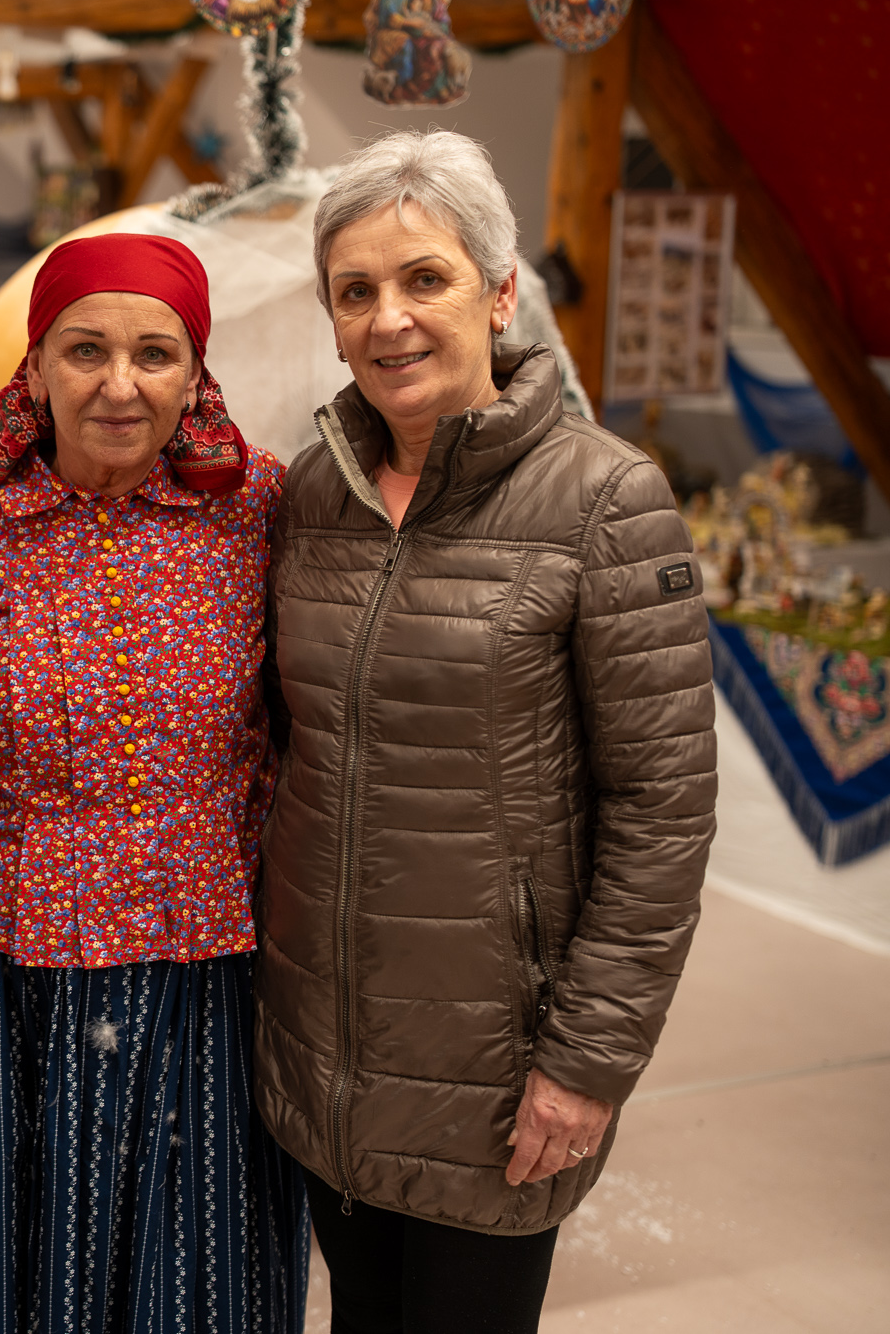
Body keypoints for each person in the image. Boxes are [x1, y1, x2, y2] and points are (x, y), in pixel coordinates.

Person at [257, 130, 716, 1334]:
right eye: (353, 290)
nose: (387, 319)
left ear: (499, 294)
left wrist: (587, 1060)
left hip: (495, 1064)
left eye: (425, 279)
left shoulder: (604, 501)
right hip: (320, 1042)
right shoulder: (312, 493)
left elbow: (661, 813)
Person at [0, 232, 310, 1334]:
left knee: (200, 1263)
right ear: (34, 368)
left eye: (154, 354)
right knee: (25, 1245)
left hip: (204, 952)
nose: (119, 385)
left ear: (196, 374)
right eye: (84, 350)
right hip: (9, 958)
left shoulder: (258, 509)